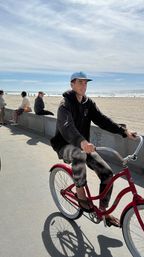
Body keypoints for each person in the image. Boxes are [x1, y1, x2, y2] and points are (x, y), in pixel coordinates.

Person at [50, 71, 136, 227]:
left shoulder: (88, 103)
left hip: (85, 146)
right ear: (72, 84)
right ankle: (80, 192)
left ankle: (103, 211)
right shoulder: (65, 104)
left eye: (86, 83)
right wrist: (82, 142)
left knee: (107, 173)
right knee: (78, 154)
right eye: (80, 82)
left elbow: (102, 120)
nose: (84, 85)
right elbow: (66, 127)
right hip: (65, 145)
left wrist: (123, 131)